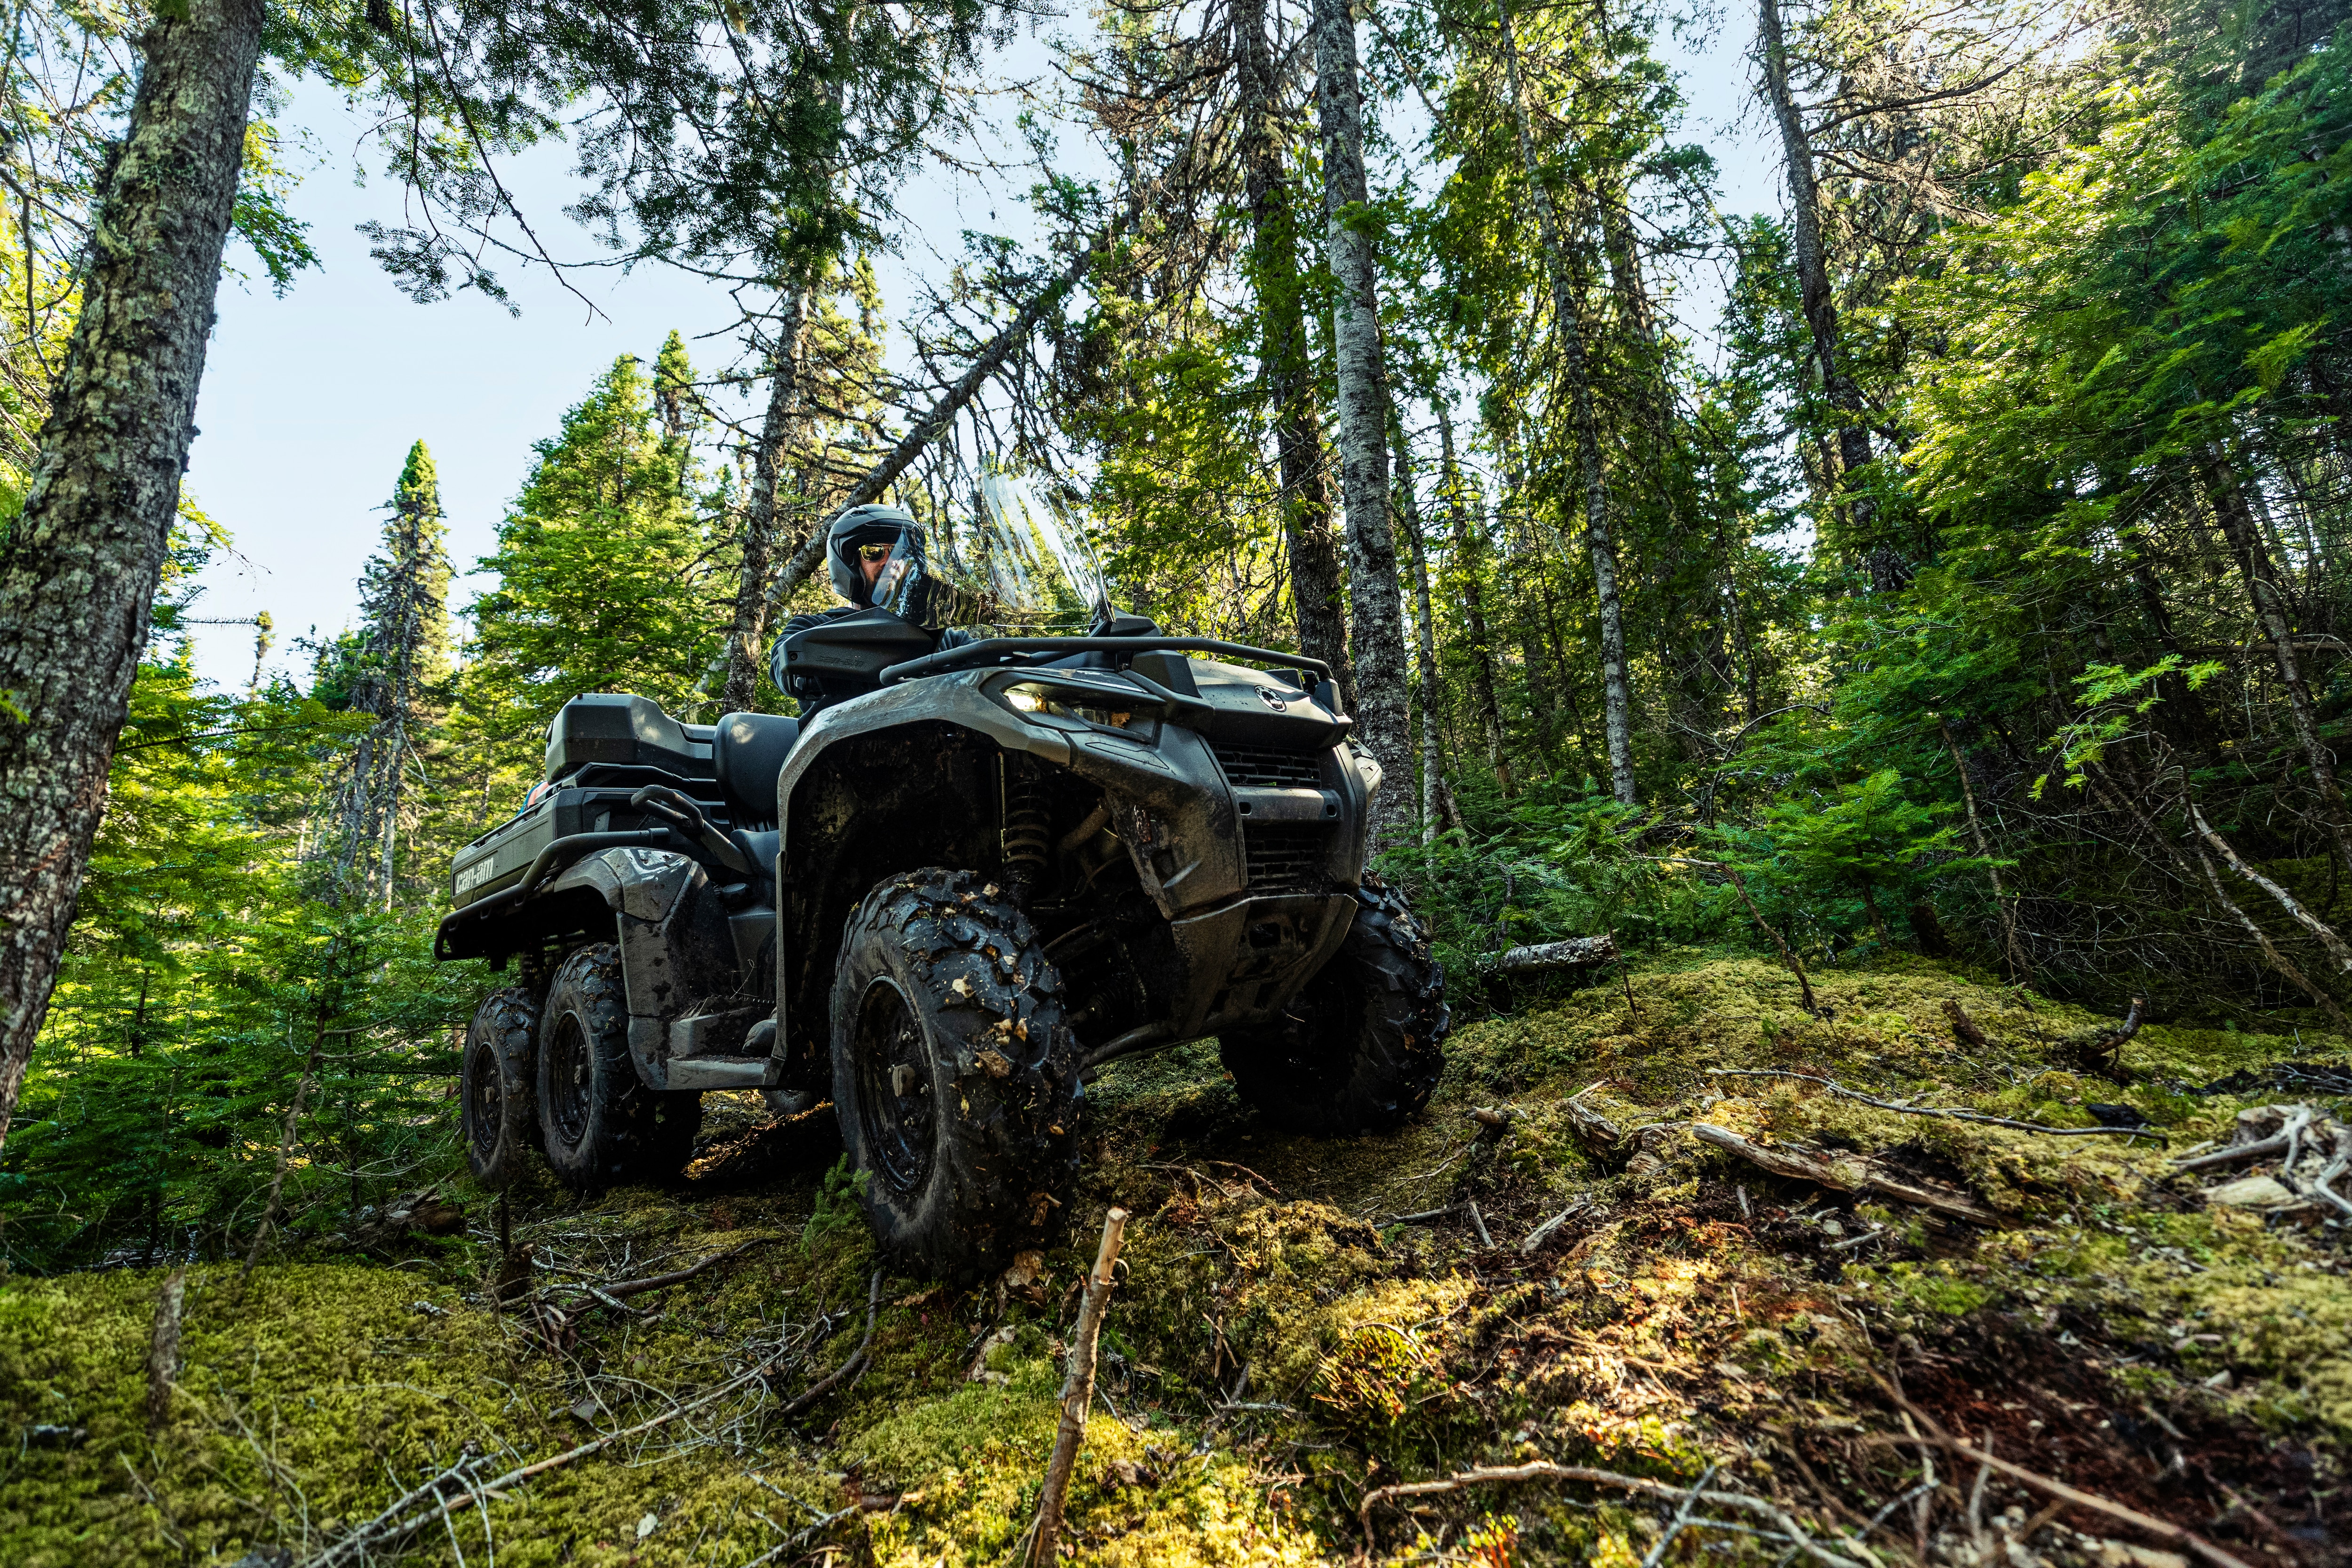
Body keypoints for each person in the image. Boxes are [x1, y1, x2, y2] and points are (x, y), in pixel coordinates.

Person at [767, 504, 990, 721]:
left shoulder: (945, 638)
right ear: (850, 565)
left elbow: (992, 656)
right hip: (842, 741)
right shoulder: (812, 628)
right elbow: (784, 664)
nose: (889, 562)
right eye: (873, 552)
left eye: (899, 552)